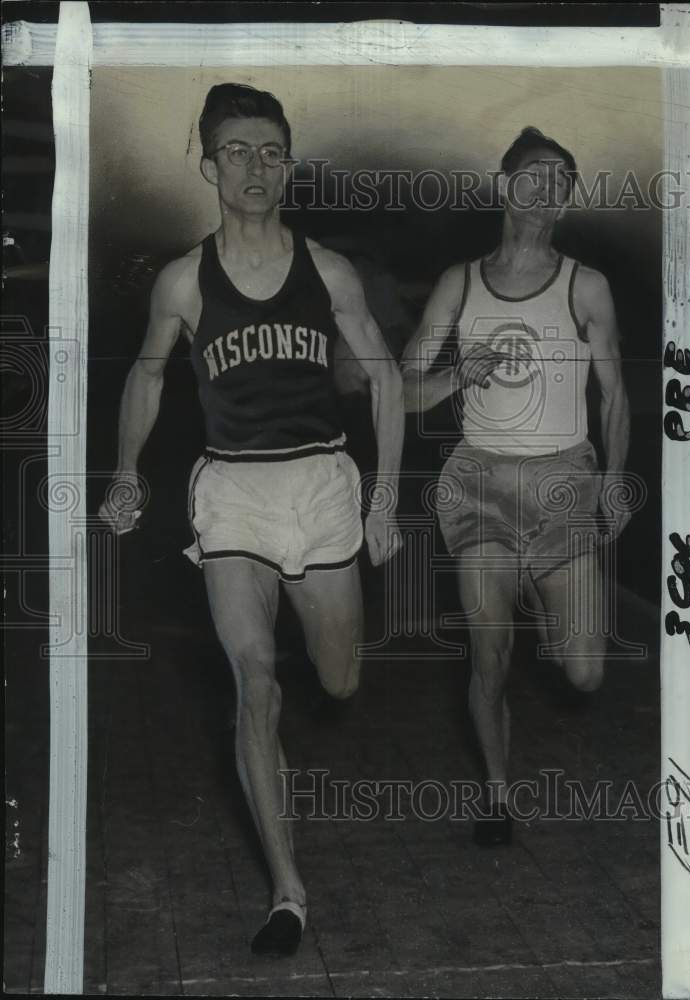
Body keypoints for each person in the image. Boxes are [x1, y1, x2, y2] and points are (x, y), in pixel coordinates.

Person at [100, 83, 403, 955]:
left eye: (271, 151)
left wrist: (383, 500)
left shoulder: (330, 271)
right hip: (231, 489)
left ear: (289, 163)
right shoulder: (182, 281)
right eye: (237, 150)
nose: (256, 167)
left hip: (320, 485)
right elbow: (149, 377)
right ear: (206, 165)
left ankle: (319, 661)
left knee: (339, 678)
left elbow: (384, 378)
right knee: (254, 681)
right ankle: (287, 893)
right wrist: (126, 472)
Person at [400, 127, 630, 846]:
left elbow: (615, 395)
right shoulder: (458, 283)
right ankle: (496, 794)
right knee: (489, 656)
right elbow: (401, 389)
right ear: (505, 188)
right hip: (479, 483)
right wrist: (449, 378)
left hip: (563, 479)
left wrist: (614, 480)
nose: (548, 188)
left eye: (561, 180)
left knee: (585, 672)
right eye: (535, 175)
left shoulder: (584, 286)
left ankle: (541, 587)